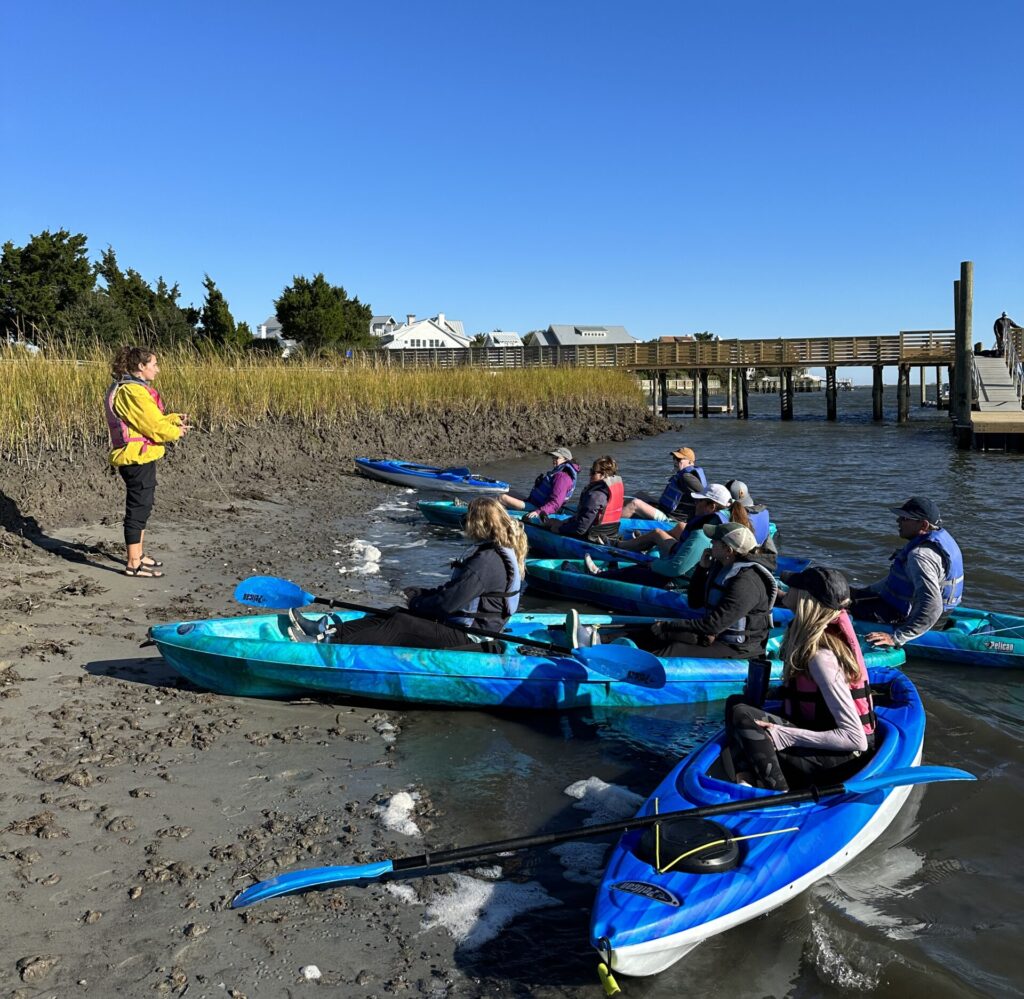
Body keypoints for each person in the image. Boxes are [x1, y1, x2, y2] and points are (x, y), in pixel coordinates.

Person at [289, 497, 528, 650]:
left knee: (401, 624)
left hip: (472, 636)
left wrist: (417, 602)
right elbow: (454, 595)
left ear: (480, 524)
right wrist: (423, 594)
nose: (463, 523)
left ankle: (328, 644)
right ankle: (325, 631)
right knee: (394, 613)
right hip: (465, 627)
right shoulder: (495, 554)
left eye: (466, 518)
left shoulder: (487, 561)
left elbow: (448, 603)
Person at [722, 566, 876, 792]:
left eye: (793, 586)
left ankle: (778, 794)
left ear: (805, 599)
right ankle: (745, 778)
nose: (786, 589)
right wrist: (774, 694)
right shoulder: (812, 641)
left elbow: (856, 739)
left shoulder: (821, 657)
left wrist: (785, 735)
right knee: (736, 703)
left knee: (743, 714)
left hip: (844, 758)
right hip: (821, 734)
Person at [569, 522, 776, 659]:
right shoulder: (722, 566)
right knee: (653, 630)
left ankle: (620, 660)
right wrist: (702, 570)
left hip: (739, 649)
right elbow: (695, 602)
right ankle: (598, 641)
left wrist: (669, 625)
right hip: (715, 635)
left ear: (728, 550)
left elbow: (714, 623)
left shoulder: (747, 581)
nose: (711, 543)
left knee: (673, 647)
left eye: (715, 541)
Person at [105, 346, 190, 577]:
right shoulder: (132, 392)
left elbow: (152, 420)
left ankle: (139, 554)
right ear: (141, 367)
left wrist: (173, 420)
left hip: (141, 455)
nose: (157, 369)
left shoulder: (133, 389)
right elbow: (152, 427)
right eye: (154, 364)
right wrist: (176, 432)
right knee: (138, 507)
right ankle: (133, 563)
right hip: (135, 458)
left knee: (143, 505)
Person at [850, 496, 964, 649]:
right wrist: (864, 592)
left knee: (837, 607)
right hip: (941, 615)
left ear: (923, 524)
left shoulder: (920, 556)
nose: (898, 521)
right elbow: (900, 579)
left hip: (907, 617)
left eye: (905, 518)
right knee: (850, 595)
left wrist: (897, 637)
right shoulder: (938, 540)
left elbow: (933, 605)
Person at [578, 483, 732, 587]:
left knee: (638, 572)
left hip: (680, 582)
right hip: (689, 574)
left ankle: (599, 576)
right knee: (642, 567)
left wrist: (654, 565)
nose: (695, 504)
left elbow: (675, 570)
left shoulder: (702, 534)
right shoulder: (723, 525)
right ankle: (613, 562)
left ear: (711, 506)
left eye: (700, 502)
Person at [543, 455, 623, 543]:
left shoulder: (596, 496)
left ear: (603, 475)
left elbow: (580, 529)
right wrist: (565, 522)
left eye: (593, 472)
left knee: (553, 525)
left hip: (591, 537)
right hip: (609, 533)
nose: (589, 474)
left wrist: (560, 529)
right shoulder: (607, 491)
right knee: (556, 522)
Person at [621, 447, 707, 522]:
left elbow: (704, 497)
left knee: (634, 504)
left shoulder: (687, 477)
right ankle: (617, 513)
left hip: (673, 518)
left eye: (678, 459)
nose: (675, 462)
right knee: (639, 494)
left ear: (690, 462)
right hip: (665, 509)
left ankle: (610, 525)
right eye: (674, 458)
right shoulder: (683, 475)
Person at [499, 446, 580, 521]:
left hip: (538, 507)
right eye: (553, 457)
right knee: (506, 491)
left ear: (565, 460)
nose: (554, 460)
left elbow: (556, 503)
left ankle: (499, 519)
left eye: (557, 458)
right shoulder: (558, 472)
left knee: (502, 498)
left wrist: (539, 512)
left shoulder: (562, 477)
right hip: (533, 502)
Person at [725, 479, 778, 571]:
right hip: (758, 558)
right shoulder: (764, 513)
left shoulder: (728, 517)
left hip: (739, 561)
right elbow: (771, 549)